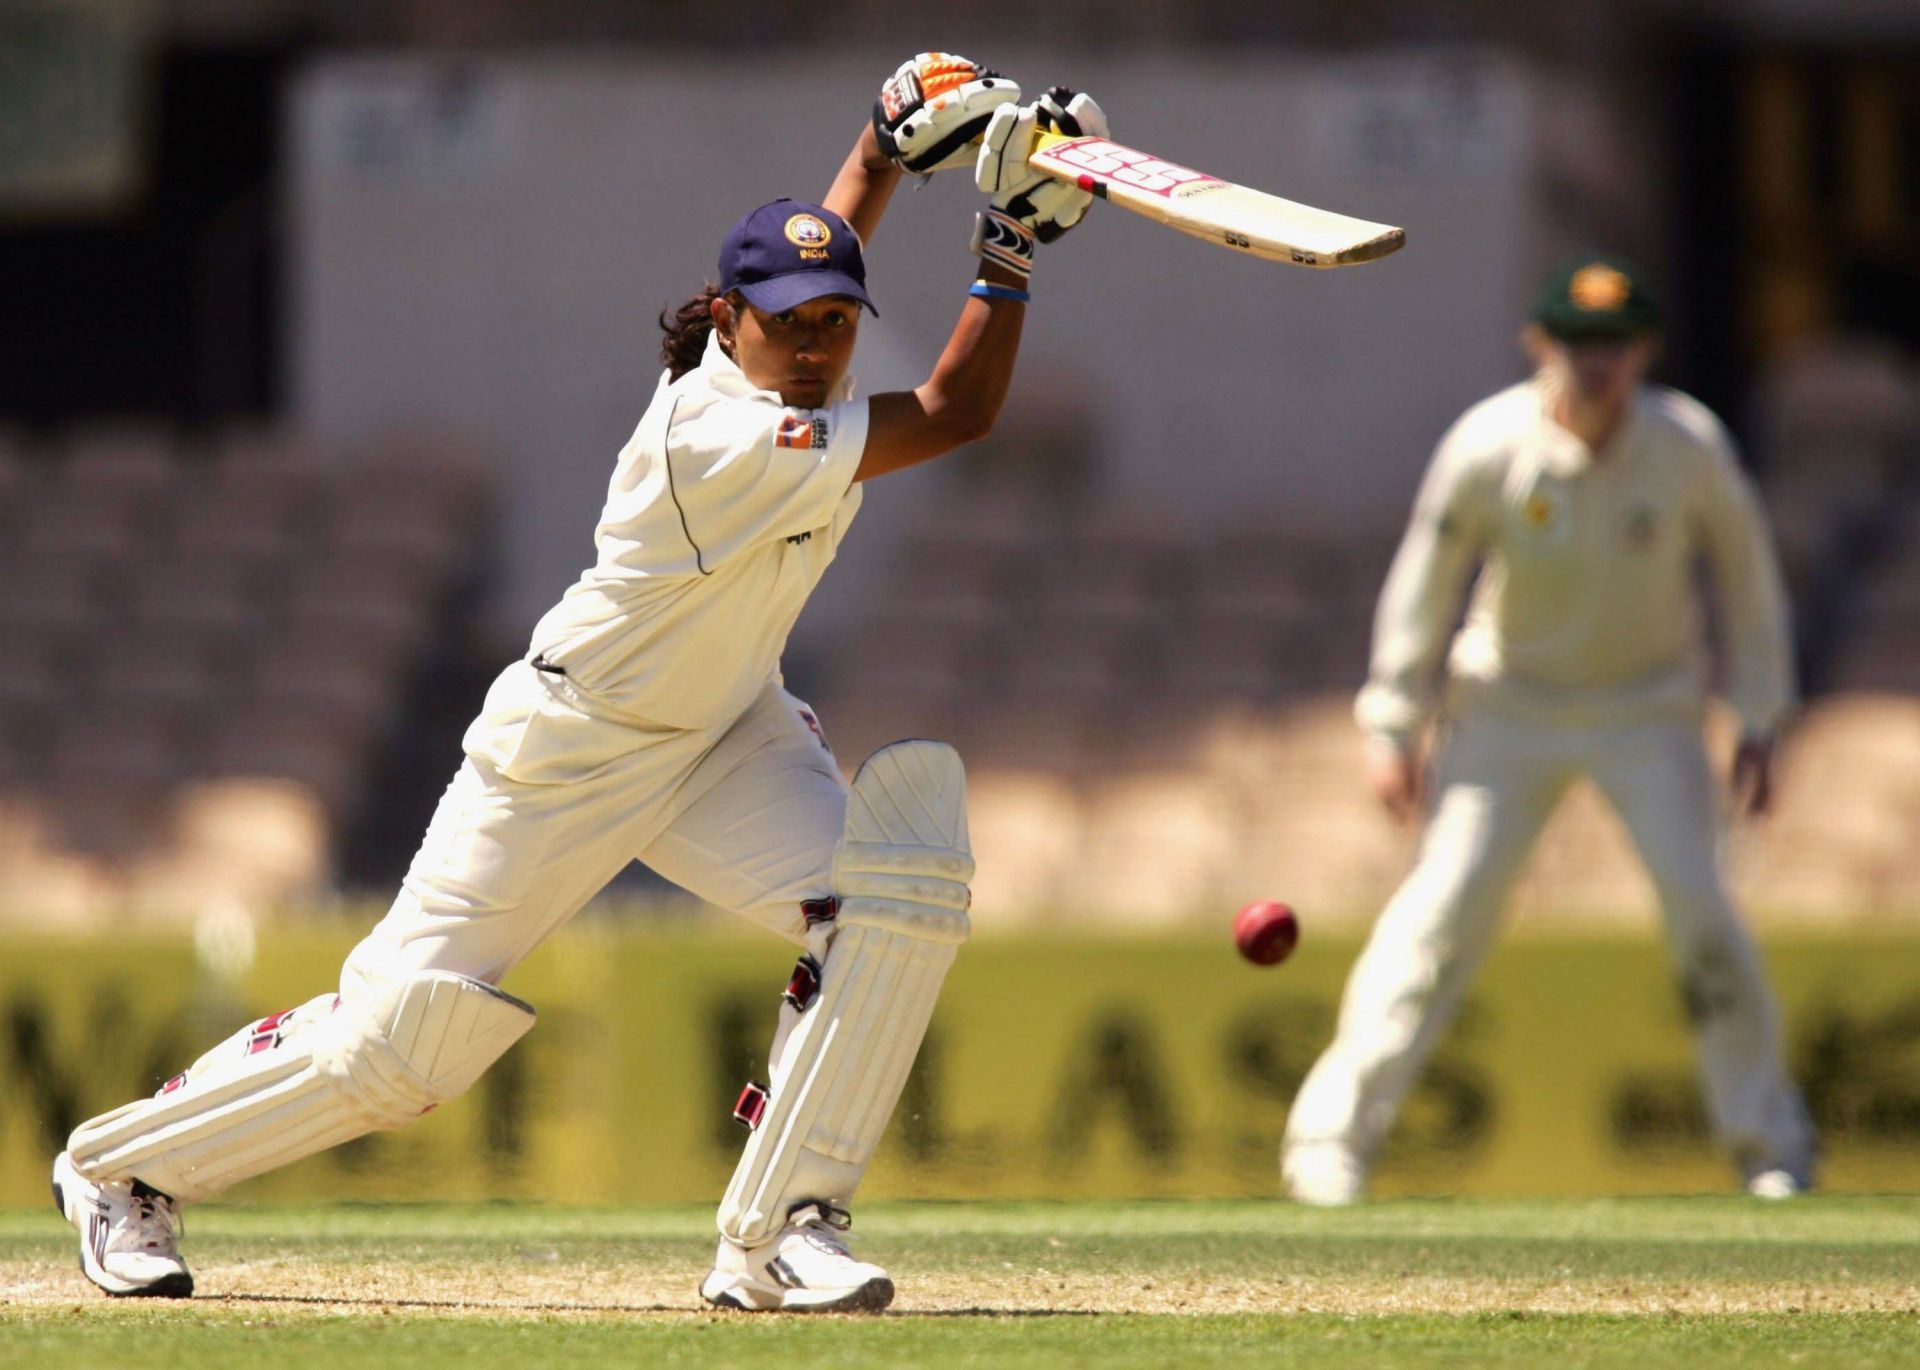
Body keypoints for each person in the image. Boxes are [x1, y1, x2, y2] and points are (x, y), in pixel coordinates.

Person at [51, 54, 1109, 1314]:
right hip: (573, 745)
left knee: (892, 897)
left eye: (837, 322)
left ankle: (781, 1231)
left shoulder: (773, 371)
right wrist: (1009, 248)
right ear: (728, 322)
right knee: (399, 1049)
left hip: (725, 733)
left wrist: (882, 146)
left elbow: (826, 248)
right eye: (791, 324)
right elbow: (955, 410)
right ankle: (119, 1169)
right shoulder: (718, 437)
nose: (819, 348)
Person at [1281, 257, 1817, 1206]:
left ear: (1644, 348)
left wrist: (1763, 715)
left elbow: (1747, 579)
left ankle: (1772, 1149)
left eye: (1614, 344)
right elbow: (1426, 581)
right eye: (1578, 343)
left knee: (1704, 920)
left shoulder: (1687, 447)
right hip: (1507, 709)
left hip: (1648, 709)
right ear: (1541, 346)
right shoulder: (1489, 445)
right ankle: (1329, 1147)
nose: (1597, 363)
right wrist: (1393, 719)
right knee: (1439, 915)